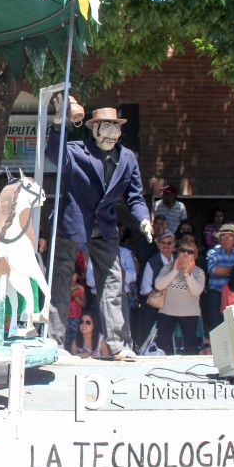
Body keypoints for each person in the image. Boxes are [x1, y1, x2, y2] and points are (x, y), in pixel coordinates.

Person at [45, 102, 152, 361]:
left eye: (115, 130)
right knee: (60, 279)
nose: (110, 135)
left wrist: (144, 219)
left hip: (104, 225)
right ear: (94, 130)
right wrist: (59, 123)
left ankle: (119, 344)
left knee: (114, 280)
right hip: (72, 222)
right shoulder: (76, 150)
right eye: (106, 129)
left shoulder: (127, 157)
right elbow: (53, 153)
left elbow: (135, 196)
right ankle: (54, 342)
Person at [154, 240, 205, 355]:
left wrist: (187, 274)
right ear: (178, 252)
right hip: (167, 311)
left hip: (189, 313)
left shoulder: (198, 272)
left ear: (194, 255)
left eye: (190, 251)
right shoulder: (168, 267)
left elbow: (196, 291)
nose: (186, 254)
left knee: (191, 346)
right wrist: (175, 271)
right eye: (183, 250)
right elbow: (158, 285)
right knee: (161, 344)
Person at [137, 231, 176, 347]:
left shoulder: (179, 261)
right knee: (147, 324)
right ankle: (144, 349)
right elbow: (146, 288)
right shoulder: (152, 262)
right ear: (158, 245)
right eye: (163, 243)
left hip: (175, 304)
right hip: (155, 303)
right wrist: (162, 298)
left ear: (174, 245)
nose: (166, 245)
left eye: (169, 243)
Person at [205, 223, 234, 329]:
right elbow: (213, 270)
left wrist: (224, 270)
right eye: (222, 236)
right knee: (216, 327)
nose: (226, 239)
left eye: (229, 236)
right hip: (216, 294)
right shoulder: (213, 252)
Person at [64, 271, 87, 353]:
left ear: (77, 275)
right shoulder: (64, 287)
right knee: (65, 337)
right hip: (65, 317)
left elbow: (83, 304)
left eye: (73, 274)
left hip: (76, 318)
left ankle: (73, 353)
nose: (72, 276)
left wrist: (76, 297)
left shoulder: (80, 289)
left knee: (74, 337)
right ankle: (65, 352)